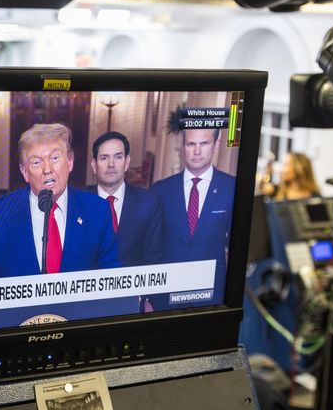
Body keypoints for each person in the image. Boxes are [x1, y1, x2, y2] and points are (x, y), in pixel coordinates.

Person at [0, 123, 120, 280]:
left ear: (70, 161)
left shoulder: (98, 211)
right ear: (25, 172)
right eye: (36, 162)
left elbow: (111, 278)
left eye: (55, 158)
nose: (47, 169)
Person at [151, 127, 235, 307]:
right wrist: (149, 297)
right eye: (191, 144)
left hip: (212, 294)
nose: (197, 151)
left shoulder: (232, 188)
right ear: (183, 147)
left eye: (204, 143)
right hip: (167, 295)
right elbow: (151, 248)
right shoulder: (160, 190)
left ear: (216, 145)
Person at [86, 131, 164, 311]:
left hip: (131, 302)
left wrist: (145, 297)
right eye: (104, 158)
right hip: (86, 304)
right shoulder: (77, 203)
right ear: (94, 165)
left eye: (118, 157)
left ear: (127, 162)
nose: (111, 164)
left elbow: (153, 259)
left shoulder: (149, 203)